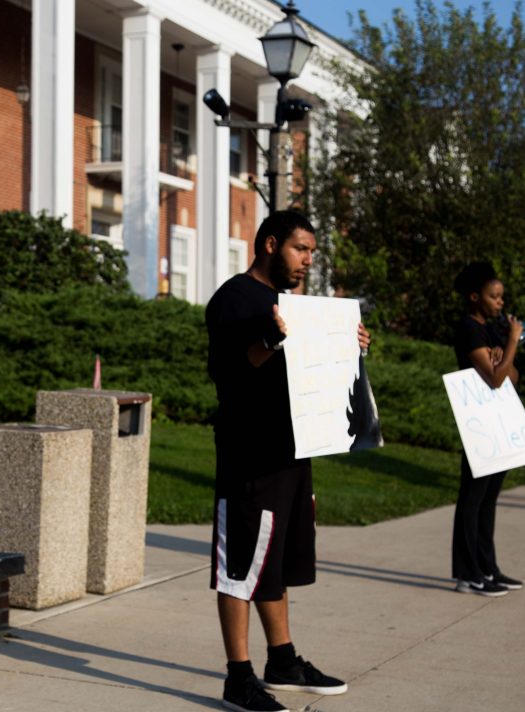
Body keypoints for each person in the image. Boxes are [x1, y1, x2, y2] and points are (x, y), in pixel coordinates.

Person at [205, 210, 370, 712]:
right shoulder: (235, 299)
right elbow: (237, 364)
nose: (308, 261)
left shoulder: (291, 306)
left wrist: (351, 347)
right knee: (241, 565)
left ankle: (283, 661)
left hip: (291, 452)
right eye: (302, 250)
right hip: (249, 456)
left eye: (313, 253)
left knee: (273, 563)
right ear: (271, 244)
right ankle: (239, 677)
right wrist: (272, 339)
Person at [449, 262, 524, 598]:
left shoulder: (491, 331)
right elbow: (495, 379)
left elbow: (512, 376)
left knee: (489, 497)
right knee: (473, 497)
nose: (500, 303)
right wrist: (511, 343)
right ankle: (467, 574)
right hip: (477, 420)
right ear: (475, 297)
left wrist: (504, 353)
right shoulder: (470, 329)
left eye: (501, 297)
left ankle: (487, 567)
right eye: (494, 297)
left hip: (497, 420)